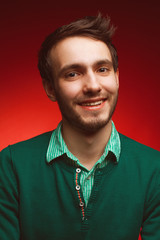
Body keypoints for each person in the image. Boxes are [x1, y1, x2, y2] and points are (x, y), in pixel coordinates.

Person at [0, 14, 160, 240]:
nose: (93, 86)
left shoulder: (155, 169)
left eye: (102, 69)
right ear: (51, 88)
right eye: (73, 73)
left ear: (117, 77)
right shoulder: (10, 165)